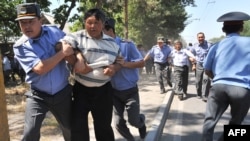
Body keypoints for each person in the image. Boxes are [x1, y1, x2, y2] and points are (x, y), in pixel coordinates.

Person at [13, 3, 74, 141]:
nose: (27, 26)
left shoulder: (55, 32)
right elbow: (40, 68)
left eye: (31, 21)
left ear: (40, 20)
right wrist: (62, 53)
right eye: (23, 22)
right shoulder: (20, 46)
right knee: (30, 134)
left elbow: (71, 45)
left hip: (62, 93)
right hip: (38, 96)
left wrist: (72, 54)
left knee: (71, 130)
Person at [68, 8, 121, 141]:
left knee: (103, 127)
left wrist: (114, 68)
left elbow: (120, 61)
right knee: (78, 127)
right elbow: (61, 47)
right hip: (81, 90)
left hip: (104, 91)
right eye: (89, 22)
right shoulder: (76, 37)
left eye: (96, 22)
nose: (92, 26)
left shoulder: (112, 42)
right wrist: (79, 57)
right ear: (84, 23)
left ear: (103, 24)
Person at [201, 11, 250, 141]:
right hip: (242, 89)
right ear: (241, 27)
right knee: (237, 126)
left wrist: (219, 80)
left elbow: (207, 70)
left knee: (209, 121)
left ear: (224, 29)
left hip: (218, 87)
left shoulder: (216, 46)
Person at [103, 18, 147, 141]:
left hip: (130, 91)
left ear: (110, 30)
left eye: (102, 31)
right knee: (117, 123)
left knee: (134, 121)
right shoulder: (102, 47)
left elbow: (141, 63)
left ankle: (141, 122)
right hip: (114, 92)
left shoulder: (126, 44)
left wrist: (125, 64)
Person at [191, 32, 212, 101]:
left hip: (207, 65)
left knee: (206, 80)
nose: (200, 38)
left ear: (204, 37)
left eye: (202, 37)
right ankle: (199, 93)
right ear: (197, 38)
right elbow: (192, 56)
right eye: (199, 37)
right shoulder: (195, 46)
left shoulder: (209, 45)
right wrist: (193, 64)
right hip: (198, 65)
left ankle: (204, 95)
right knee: (198, 81)